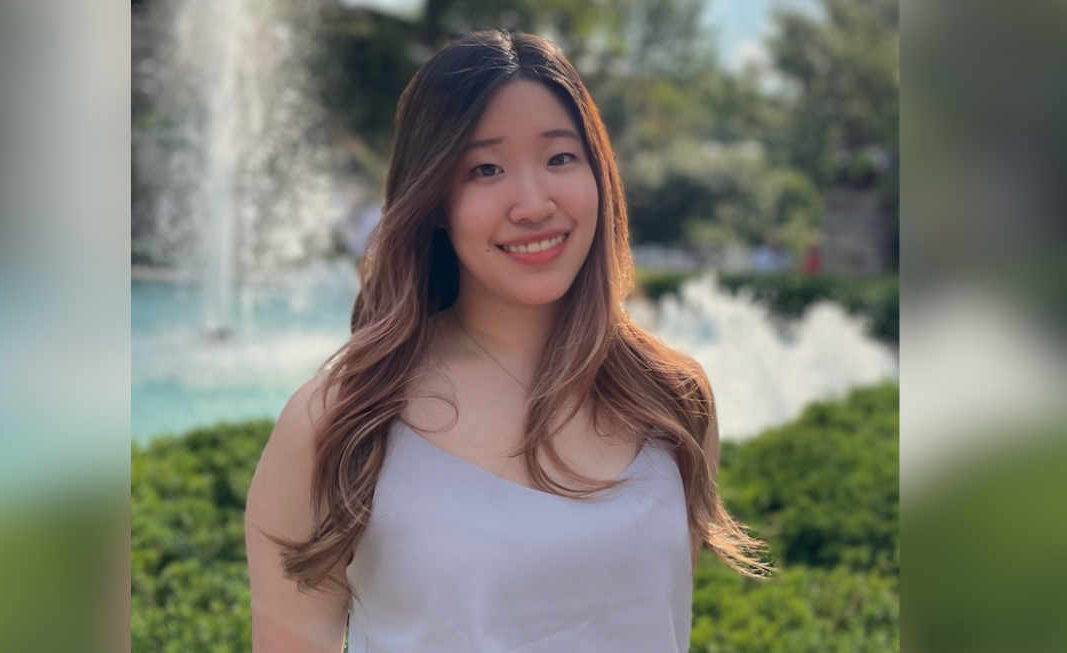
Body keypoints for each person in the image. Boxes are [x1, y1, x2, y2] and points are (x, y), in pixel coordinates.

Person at [244, 30, 769, 653]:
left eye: (559, 158)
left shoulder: (672, 400)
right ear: (435, 198)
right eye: (485, 169)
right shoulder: (338, 422)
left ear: (599, 173)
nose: (532, 203)